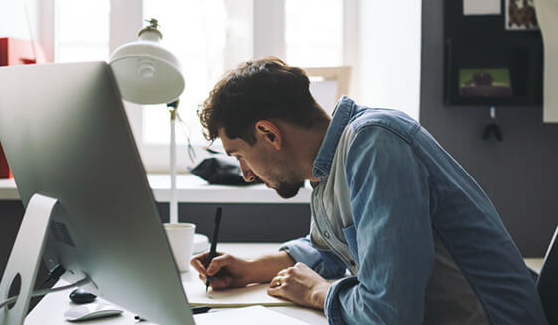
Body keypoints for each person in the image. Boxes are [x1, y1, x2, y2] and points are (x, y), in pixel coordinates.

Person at [190, 57, 546, 324]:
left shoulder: (374, 144)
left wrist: (318, 292)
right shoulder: (326, 169)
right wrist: (252, 268)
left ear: (269, 133)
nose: (246, 174)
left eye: (240, 156)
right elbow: (329, 248)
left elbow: (389, 314)